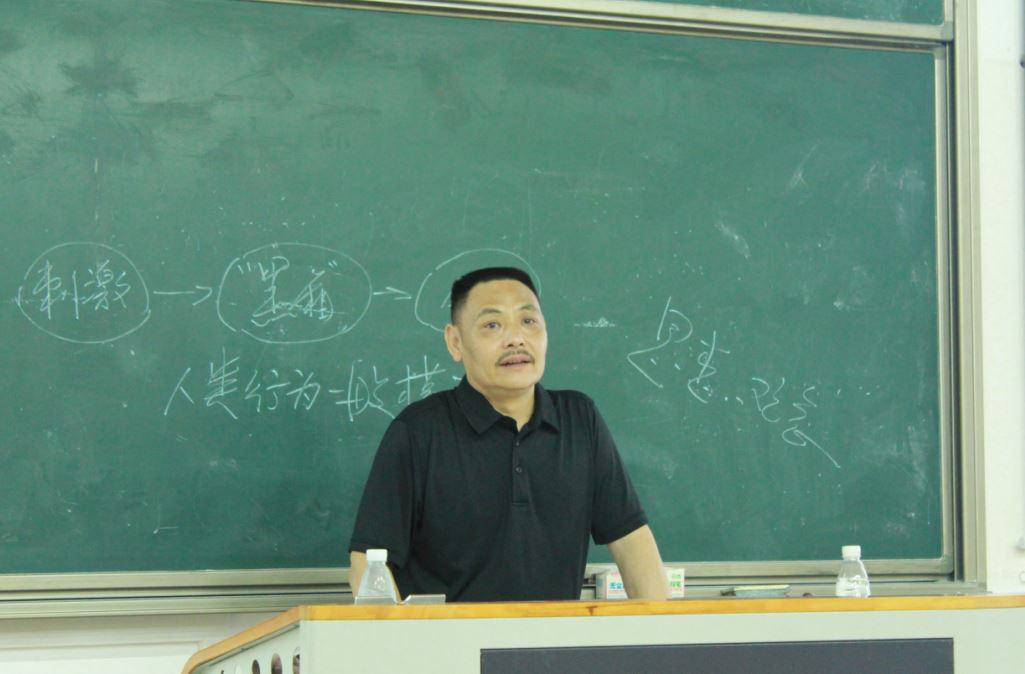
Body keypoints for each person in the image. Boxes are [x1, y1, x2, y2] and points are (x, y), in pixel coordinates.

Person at [348, 267, 669, 602]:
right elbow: (367, 564)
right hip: (446, 636)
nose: (516, 339)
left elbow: (633, 544)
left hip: (555, 635)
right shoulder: (418, 431)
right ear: (455, 342)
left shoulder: (580, 419)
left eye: (528, 321)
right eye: (492, 325)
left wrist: (665, 630)